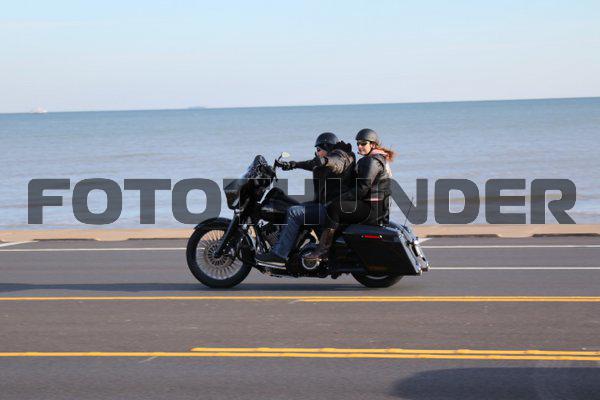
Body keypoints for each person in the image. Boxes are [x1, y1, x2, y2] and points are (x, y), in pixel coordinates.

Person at [255, 132, 355, 266]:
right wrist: (292, 165)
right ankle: (293, 248)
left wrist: (326, 161)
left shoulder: (339, 156)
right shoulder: (325, 162)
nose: (316, 152)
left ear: (327, 147)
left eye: (318, 149)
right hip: (327, 206)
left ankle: (279, 254)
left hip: (331, 209)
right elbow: (311, 164)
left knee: (294, 212)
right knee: (294, 206)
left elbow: (336, 163)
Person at [304, 128, 394, 263]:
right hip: (377, 207)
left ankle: (322, 250)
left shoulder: (372, 161)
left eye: (363, 143)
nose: (359, 146)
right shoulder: (378, 158)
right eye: (358, 143)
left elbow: (362, 189)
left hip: (371, 209)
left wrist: (338, 199)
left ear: (373, 144)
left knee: (333, 208)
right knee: (338, 208)